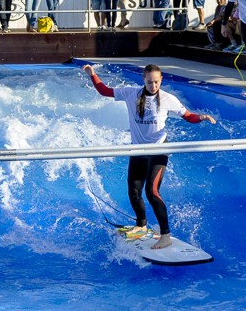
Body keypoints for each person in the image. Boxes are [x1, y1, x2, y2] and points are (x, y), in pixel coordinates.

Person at [82, 63, 215, 249]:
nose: (153, 86)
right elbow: (105, 91)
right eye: (150, 82)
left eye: (156, 82)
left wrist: (201, 117)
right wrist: (92, 74)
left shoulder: (168, 99)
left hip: (158, 150)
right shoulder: (131, 93)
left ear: (161, 80)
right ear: (143, 80)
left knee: (152, 192)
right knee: (134, 191)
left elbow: (187, 116)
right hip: (138, 150)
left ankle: (166, 235)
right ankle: (141, 225)